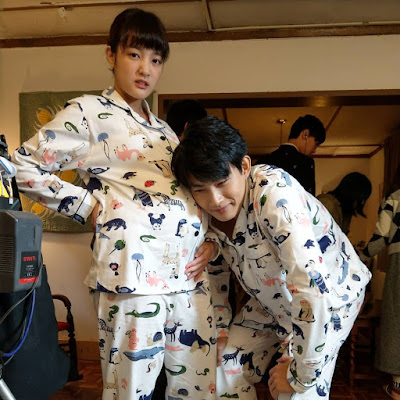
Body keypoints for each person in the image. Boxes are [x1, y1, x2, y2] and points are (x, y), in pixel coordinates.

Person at [12, 8, 217, 400]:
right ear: (111, 54)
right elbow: (22, 165)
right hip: (133, 280)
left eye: (155, 60)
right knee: (130, 391)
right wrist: (88, 206)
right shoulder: (89, 113)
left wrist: (211, 242)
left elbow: (190, 195)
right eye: (134, 54)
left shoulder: (166, 131)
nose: (145, 69)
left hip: (189, 281)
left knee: (197, 390)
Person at [171, 116, 372, 400]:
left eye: (221, 182)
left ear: (244, 167)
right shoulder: (200, 211)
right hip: (271, 299)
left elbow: (311, 286)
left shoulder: (275, 194)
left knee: (295, 393)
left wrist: (300, 377)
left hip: (331, 297)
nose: (215, 200)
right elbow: (214, 273)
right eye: (200, 189)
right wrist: (221, 329)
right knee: (224, 367)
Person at [359, 165, 400, 400]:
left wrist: (360, 255)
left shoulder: (395, 198)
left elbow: (381, 237)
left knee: (397, 320)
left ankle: (397, 387)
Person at [256, 114, 326, 196]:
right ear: (305, 135)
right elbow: (308, 199)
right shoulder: (306, 163)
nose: (314, 150)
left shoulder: (263, 161)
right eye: (316, 144)